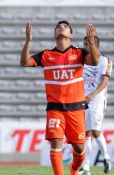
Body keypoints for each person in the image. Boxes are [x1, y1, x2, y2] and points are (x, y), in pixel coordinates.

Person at [20, 20, 100, 175]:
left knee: (79, 148)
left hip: (76, 109)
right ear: (55, 34)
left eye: (65, 27)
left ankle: (74, 168)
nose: (61, 28)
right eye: (58, 27)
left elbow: (95, 62)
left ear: (70, 35)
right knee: (56, 143)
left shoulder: (79, 53)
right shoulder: (46, 55)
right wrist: (28, 41)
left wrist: (91, 42)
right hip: (55, 108)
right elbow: (24, 62)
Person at [79, 36, 112, 175]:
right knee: (85, 134)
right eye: (84, 44)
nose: (85, 46)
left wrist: (92, 95)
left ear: (95, 45)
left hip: (97, 100)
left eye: (88, 44)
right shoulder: (82, 61)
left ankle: (106, 157)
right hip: (82, 99)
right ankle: (86, 167)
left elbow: (104, 81)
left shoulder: (106, 61)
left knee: (96, 132)